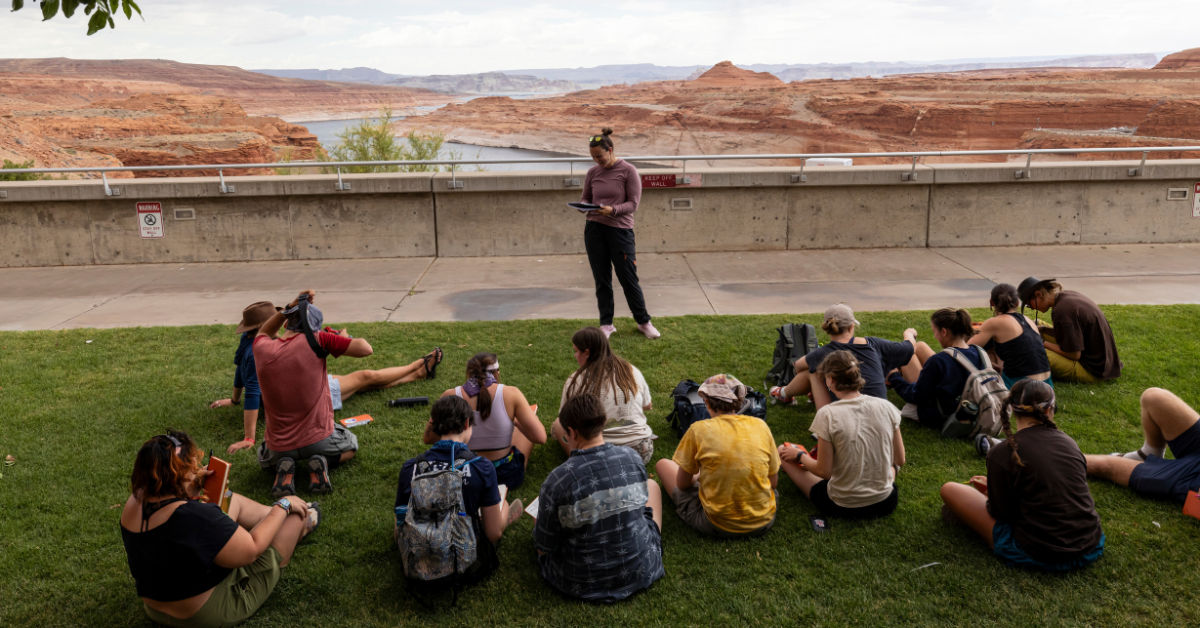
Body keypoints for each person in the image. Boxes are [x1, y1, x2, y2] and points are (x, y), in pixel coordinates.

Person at [120, 431, 320, 628]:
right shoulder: (195, 516)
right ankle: (292, 525)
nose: (197, 468)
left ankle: (272, 519)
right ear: (177, 475)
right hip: (202, 614)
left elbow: (173, 533)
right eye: (192, 466)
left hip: (156, 607)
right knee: (294, 516)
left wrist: (191, 485)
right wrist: (283, 505)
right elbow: (251, 550)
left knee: (229, 498)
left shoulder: (135, 500)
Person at [940, 380, 1105, 572]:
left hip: (1039, 553)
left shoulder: (1001, 453)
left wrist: (991, 494)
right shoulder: (1069, 443)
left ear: (1012, 409)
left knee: (950, 490)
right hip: (1090, 545)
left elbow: (1002, 515)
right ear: (1049, 410)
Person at [534, 393, 664, 603]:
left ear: (571, 432)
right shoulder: (632, 458)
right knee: (652, 487)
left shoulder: (558, 480)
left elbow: (542, 547)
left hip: (578, 579)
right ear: (603, 423)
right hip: (642, 569)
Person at [249, 290, 373, 499]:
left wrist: (289, 306)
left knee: (266, 458)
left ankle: (283, 468)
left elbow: (264, 330)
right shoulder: (318, 339)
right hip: (320, 439)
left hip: (279, 447)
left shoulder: (261, 348)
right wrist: (339, 338)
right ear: (313, 327)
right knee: (351, 445)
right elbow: (366, 349)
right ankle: (322, 462)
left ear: (287, 324)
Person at [396, 396, 523, 585]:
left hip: (419, 563)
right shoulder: (482, 467)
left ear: (434, 426)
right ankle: (501, 510)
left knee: (402, 513)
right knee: (499, 505)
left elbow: (400, 522)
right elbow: (493, 534)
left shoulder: (411, 467)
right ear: (466, 423)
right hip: (465, 566)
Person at [778, 351, 904, 519]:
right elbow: (900, 460)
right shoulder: (886, 406)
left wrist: (800, 455)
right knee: (889, 466)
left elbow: (824, 472)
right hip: (886, 501)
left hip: (840, 505)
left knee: (782, 450)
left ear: (830, 378)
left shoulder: (827, 414)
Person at [656, 374, 781, 538]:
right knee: (772, 492)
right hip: (764, 520)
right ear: (740, 400)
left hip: (715, 524)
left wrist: (701, 474)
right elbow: (772, 483)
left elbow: (683, 484)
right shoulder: (761, 425)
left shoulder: (698, 429)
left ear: (706, 402)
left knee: (662, 465)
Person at [581, 127, 660, 340]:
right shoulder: (593, 172)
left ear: (610, 150)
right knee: (602, 279)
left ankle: (643, 322)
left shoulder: (628, 170)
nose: (597, 160)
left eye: (600, 156)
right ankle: (606, 324)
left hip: (620, 231)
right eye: (593, 157)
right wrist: (583, 206)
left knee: (628, 278)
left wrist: (612, 210)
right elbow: (585, 198)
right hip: (594, 230)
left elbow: (633, 204)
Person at [770, 304, 921, 410]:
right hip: (881, 415)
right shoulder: (874, 344)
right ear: (851, 327)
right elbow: (911, 347)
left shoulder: (824, 353)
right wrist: (908, 333)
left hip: (843, 421)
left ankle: (783, 393)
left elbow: (798, 366)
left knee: (813, 371)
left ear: (827, 329)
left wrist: (820, 381)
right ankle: (783, 393)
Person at [437, 352, 546, 490]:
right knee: (526, 425)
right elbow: (541, 437)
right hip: (504, 476)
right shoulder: (511, 393)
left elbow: (429, 437)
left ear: (469, 374)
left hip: (465, 475)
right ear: (497, 373)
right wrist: (515, 420)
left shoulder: (450, 395)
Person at [551, 327, 655, 464]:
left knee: (558, 424)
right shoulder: (631, 370)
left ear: (586, 353)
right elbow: (647, 406)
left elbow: (566, 420)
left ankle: (578, 461)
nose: (575, 356)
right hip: (641, 451)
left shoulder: (575, 381)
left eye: (576, 351)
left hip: (599, 455)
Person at [1085, 388, 1200, 503]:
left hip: (1194, 480)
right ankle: (1148, 454)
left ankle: (1067, 459)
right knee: (1154, 397)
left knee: (1103, 464)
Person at [887, 308, 988, 434]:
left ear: (944, 331)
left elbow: (916, 396)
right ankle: (905, 359)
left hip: (943, 414)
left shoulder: (938, 361)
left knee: (907, 354)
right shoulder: (979, 352)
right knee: (920, 346)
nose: (934, 336)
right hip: (970, 406)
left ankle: (898, 369)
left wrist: (894, 376)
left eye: (935, 331)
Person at [1017, 276, 1121, 383]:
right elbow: (1070, 333)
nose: (1033, 308)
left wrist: (1042, 342)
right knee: (1036, 323)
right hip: (1104, 363)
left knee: (1032, 349)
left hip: (1092, 370)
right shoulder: (1066, 297)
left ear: (1039, 294)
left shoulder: (1062, 311)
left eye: (1030, 305)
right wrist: (1043, 329)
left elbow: (1074, 355)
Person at [211, 301, 276, 455]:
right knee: (336, 385)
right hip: (294, 398)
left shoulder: (247, 339)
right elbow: (253, 391)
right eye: (275, 321)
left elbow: (240, 370)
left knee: (336, 381)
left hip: (283, 392)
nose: (279, 324)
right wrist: (249, 438)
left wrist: (235, 401)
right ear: (262, 326)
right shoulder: (257, 352)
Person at [969, 284, 1052, 389]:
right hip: (1048, 392)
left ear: (991, 303)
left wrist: (987, 363)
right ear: (1017, 303)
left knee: (989, 353)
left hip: (1022, 393)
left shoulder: (993, 323)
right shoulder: (1028, 321)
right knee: (1002, 350)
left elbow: (964, 351)